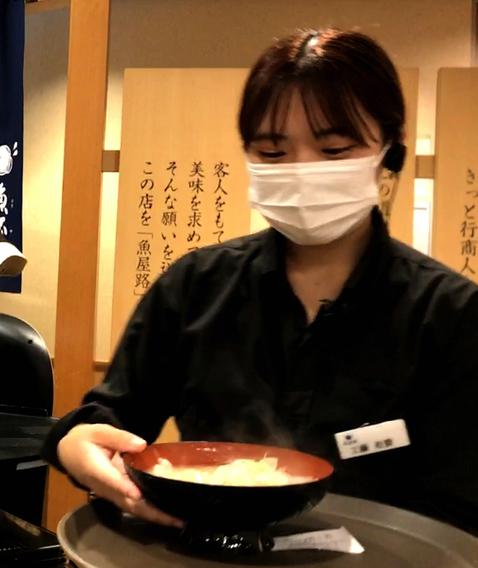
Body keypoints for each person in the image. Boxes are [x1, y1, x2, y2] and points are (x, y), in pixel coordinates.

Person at [43, 28, 478, 535]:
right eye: (273, 153)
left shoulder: (450, 315)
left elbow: (461, 513)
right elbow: (113, 420)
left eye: (334, 149)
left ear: (390, 151)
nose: (301, 172)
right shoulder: (195, 287)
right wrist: (72, 444)